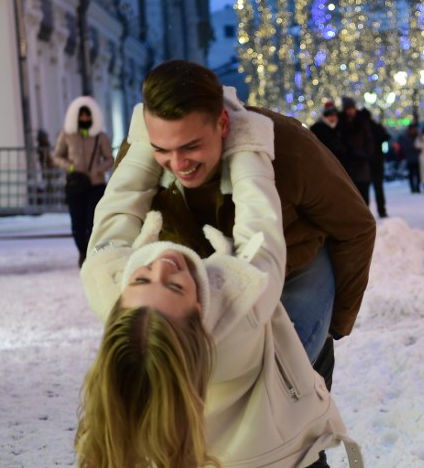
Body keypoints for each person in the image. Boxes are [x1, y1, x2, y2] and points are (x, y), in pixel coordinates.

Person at [77, 134, 362, 466]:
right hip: (279, 447)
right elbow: (260, 222)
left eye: (141, 277)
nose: (162, 265)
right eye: (174, 287)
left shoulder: (107, 287)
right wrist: (245, 138)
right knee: (316, 283)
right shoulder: (242, 302)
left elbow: (115, 210)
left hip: (217, 435)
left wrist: (147, 137)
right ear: (199, 313)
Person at [89, 60, 375, 380]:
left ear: (222, 124)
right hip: (201, 281)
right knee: (203, 383)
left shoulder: (289, 146)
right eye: (162, 149)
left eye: (191, 146)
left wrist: (335, 324)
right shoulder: (136, 155)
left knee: (284, 374)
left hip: (294, 268)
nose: (177, 163)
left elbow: (355, 227)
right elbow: (117, 224)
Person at [52, 97, 114, 267]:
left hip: (96, 185)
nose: (85, 119)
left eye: (88, 116)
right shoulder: (67, 135)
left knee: (93, 222)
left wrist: (98, 169)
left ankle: (90, 254)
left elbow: (110, 159)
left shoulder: (100, 137)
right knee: (77, 223)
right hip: (75, 185)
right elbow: (57, 156)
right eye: (82, 116)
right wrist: (70, 167)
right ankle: (82, 251)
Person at [337, 97, 374, 204]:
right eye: (348, 109)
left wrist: (366, 154)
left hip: (362, 161)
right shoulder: (341, 122)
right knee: (351, 194)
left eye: (351, 108)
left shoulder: (362, 121)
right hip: (349, 163)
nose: (350, 111)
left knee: (364, 193)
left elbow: (369, 140)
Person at [368, 111, 391, 218]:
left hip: (368, 161)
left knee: (365, 188)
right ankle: (381, 210)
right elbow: (386, 137)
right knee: (378, 188)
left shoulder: (365, 127)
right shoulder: (376, 126)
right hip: (376, 160)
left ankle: (368, 211)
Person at [398, 124, 422, 193]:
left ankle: (417, 187)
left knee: (417, 174)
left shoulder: (417, 136)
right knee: (411, 174)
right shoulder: (406, 137)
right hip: (410, 158)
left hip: (417, 158)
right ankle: (413, 188)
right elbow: (405, 147)